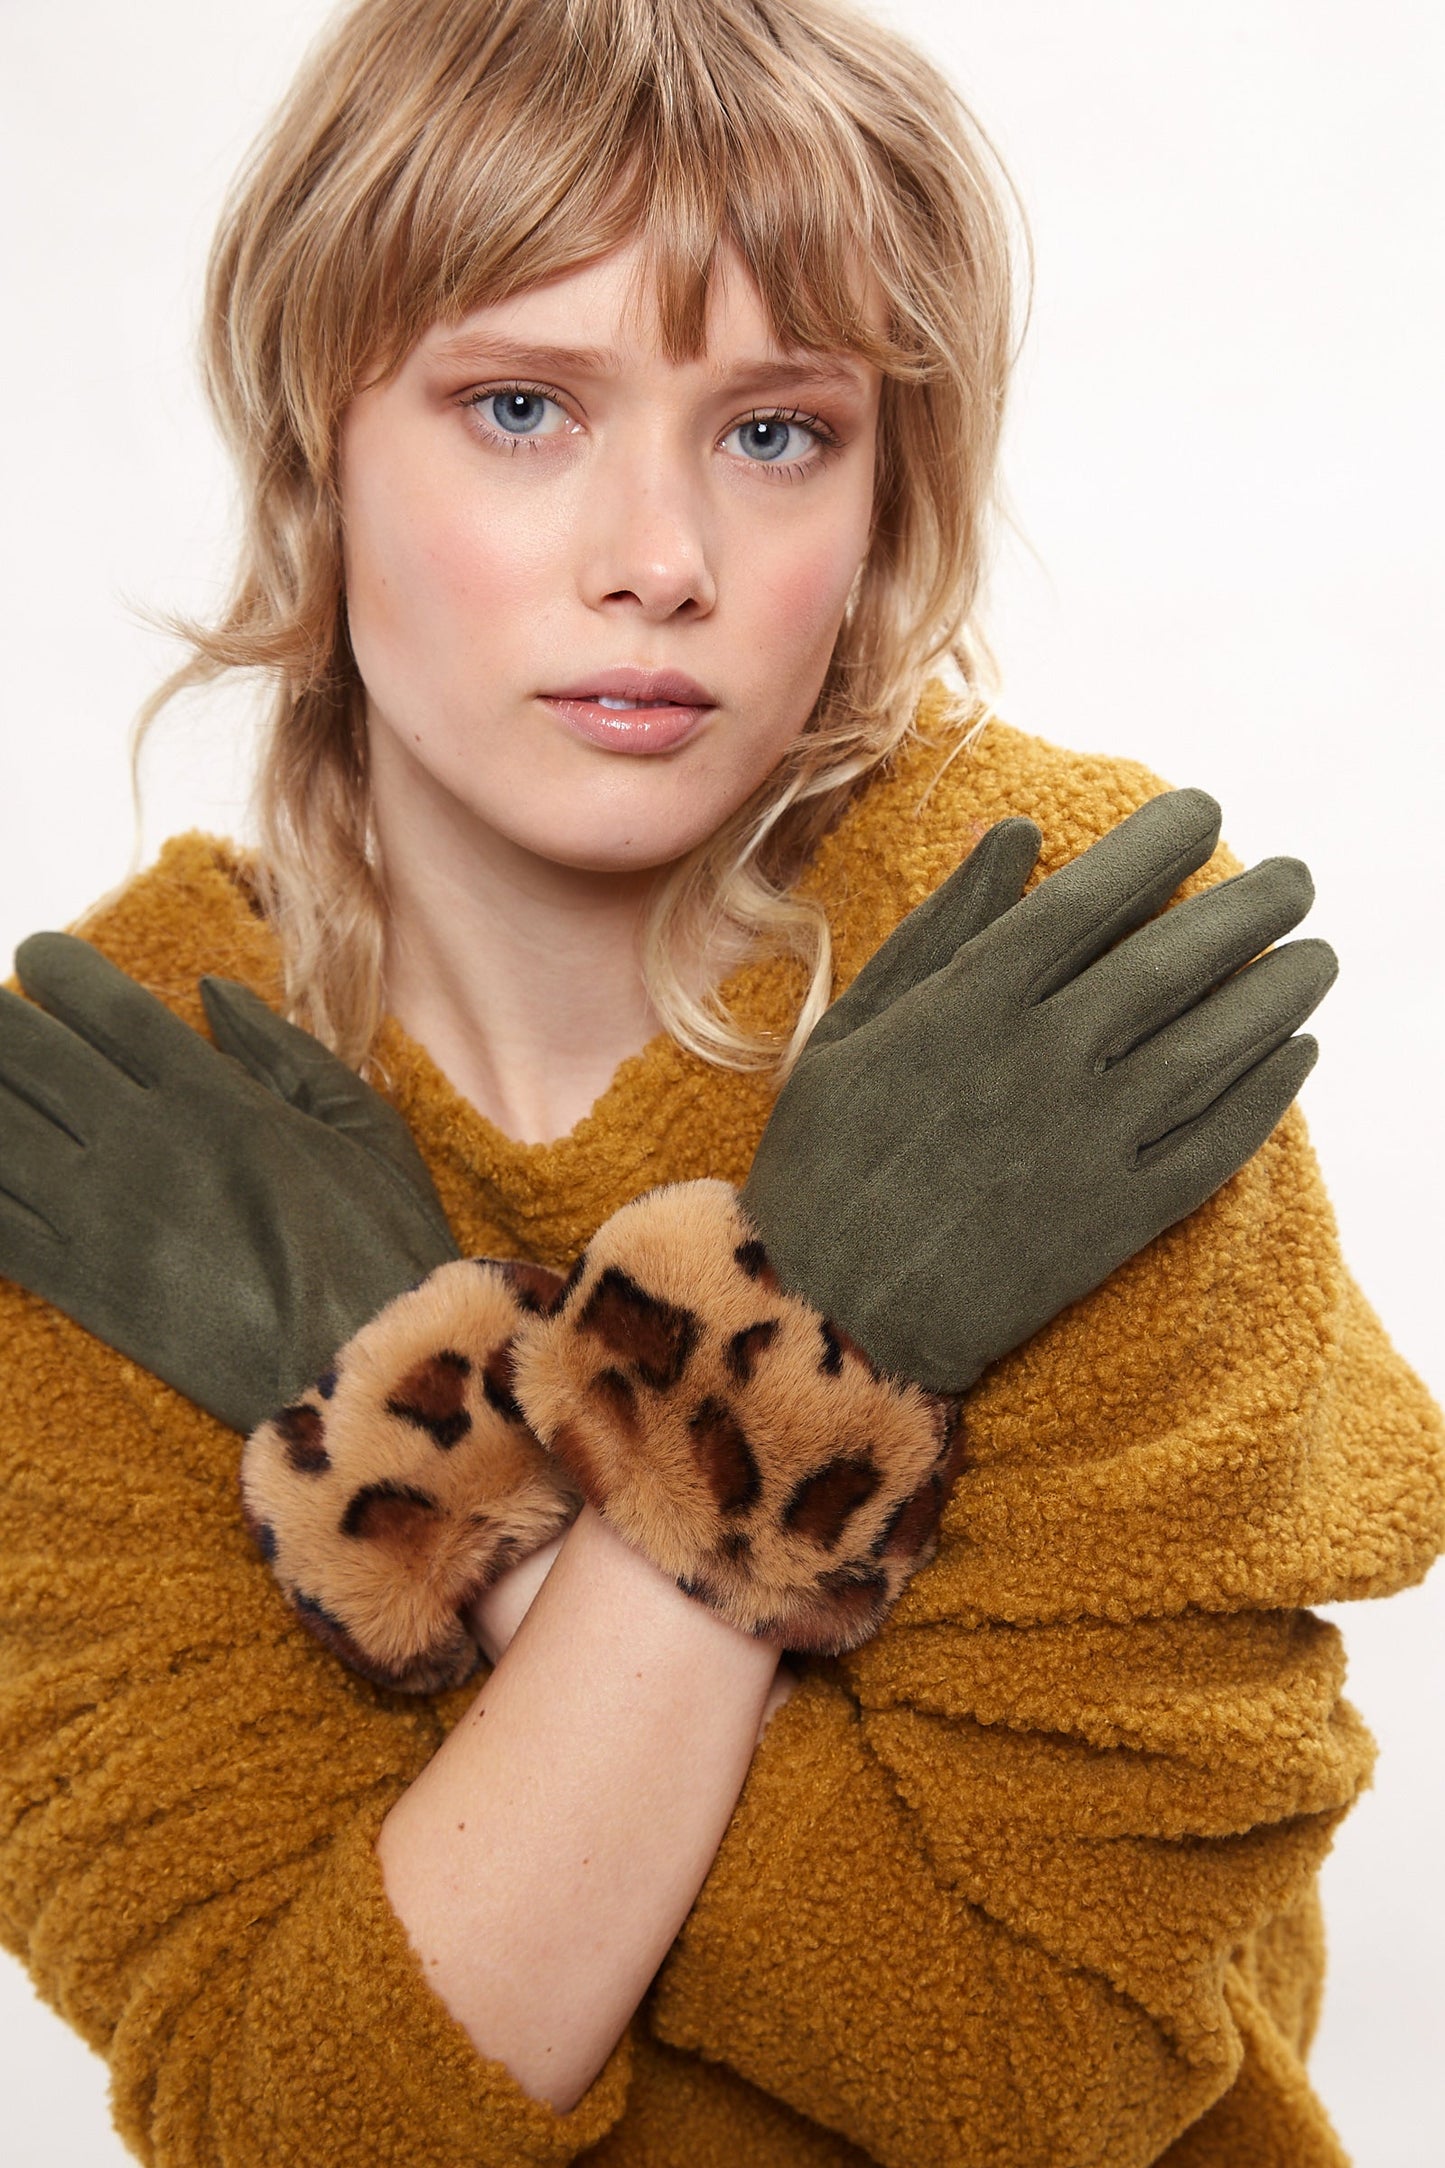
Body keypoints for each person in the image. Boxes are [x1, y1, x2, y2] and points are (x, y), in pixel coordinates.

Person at [0, 2, 1439, 2164]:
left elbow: (1037, 2069)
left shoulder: (1051, 981)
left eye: (775, 431)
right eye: (519, 407)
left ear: (884, 491)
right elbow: (290, 2119)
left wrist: (420, 1420)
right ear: (314, 448)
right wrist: (787, 1374)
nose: (657, 555)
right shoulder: (128, 1106)